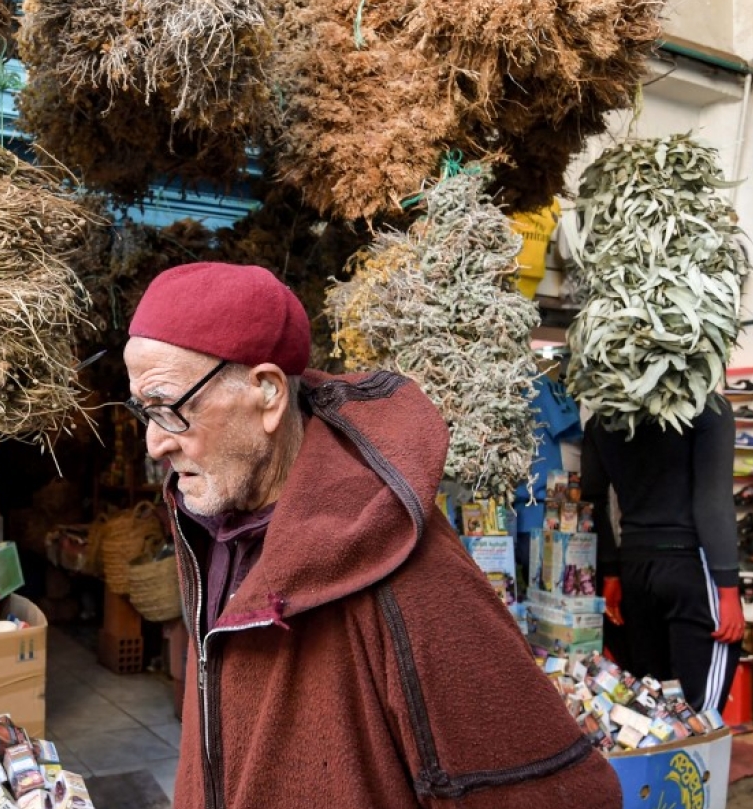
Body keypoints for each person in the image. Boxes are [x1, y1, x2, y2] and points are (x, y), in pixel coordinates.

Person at [122, 262, 620, 809]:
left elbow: (561, 793)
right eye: (142, 411)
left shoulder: (401, 560)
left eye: (169, 408)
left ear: (266, 392)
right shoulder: (211, 530)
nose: (154, 444)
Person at [581, 399, 745, 714]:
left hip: (634, 571)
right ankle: (697, 762)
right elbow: (713, 501)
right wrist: (727, 590)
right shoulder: (706, 408)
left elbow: (592, 502)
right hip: (691, 570)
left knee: (653, 708)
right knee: (699, 716)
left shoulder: (603, 420)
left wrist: (612, 571)